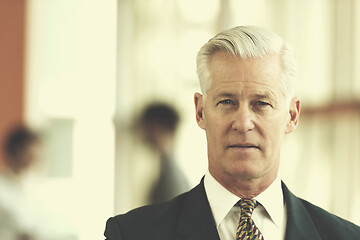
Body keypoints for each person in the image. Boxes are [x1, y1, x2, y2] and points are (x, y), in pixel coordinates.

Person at [104, 26, 360, 239]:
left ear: (291, 116)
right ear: (200, 111)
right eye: (227, 102)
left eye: (262, 103)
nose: (243, 123)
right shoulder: (131, 234)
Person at [137, 103, 189, 204]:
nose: (141, 133)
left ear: (157, 127)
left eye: (145, 126)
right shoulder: (166, 169)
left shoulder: (172, 178)